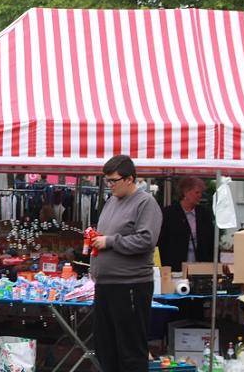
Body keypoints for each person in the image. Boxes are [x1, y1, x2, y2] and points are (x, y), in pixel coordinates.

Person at [90, 155, 162, 372]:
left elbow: (146, 240)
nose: (110, 185)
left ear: (130, 179)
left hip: (130, 285)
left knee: (130, 350)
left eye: (113, 180)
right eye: (107, 181)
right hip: (106, 284)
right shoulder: (111, 201)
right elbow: (106, 235)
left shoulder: (146, 203)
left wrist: (110, 241)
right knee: (105, 347)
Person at [158, 177, 215, 272]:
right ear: (185, 192)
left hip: (200, 267)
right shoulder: (169, 213)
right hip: (174, 267)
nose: (200, 196)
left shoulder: (204, 214)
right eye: (197, 192)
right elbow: (162, 242)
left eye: (201, 193)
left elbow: (211, 242)